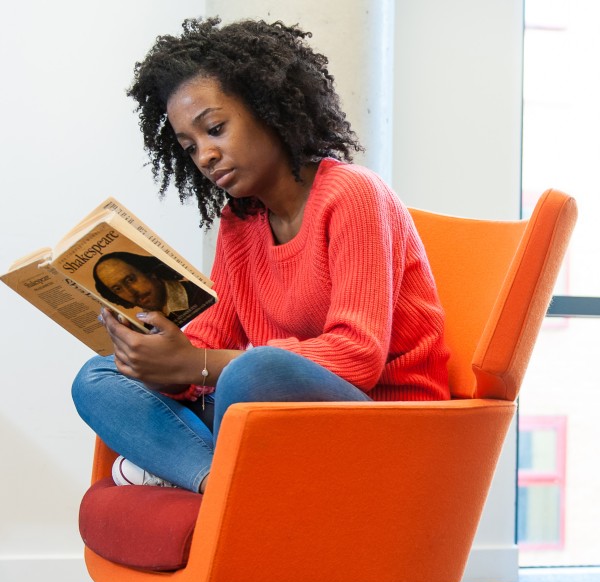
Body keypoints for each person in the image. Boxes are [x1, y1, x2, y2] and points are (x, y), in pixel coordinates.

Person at [72, 16, 451, 495]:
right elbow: (209, 343)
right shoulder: (239, 225)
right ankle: (218, 480)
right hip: (283, 416)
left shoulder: (353, 195)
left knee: (252, 371)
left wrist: (199, 365)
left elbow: (359, 357)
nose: (205, 155)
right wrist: (154, 355)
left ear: (268, 109)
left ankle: (186, 466)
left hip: (383, 416)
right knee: (99, 375)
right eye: (190, 147)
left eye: (215, 129)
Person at [93, 251, 211, 325]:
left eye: (130, 279)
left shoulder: (199, 294)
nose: (131, 292)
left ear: (149, 272)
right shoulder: (148, 327)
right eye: (118, 289)